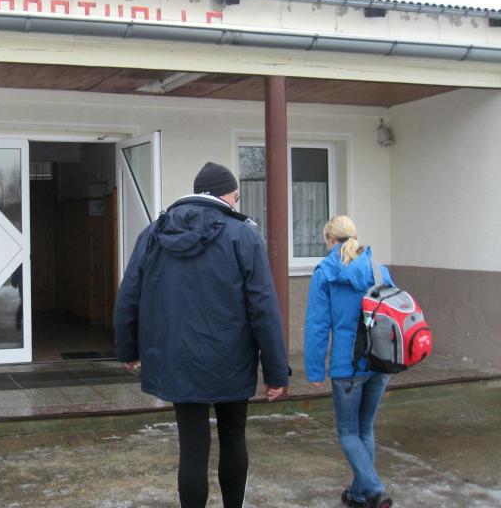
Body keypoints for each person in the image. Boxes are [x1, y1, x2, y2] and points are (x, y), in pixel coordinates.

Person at [114, 162, 290, 508]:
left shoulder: (153, 234)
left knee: (192, 446)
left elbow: (128, 296)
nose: (236, 203)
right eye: (236, 196)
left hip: (179, 360)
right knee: (233, 435)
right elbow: (264, 308)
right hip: (231, 360)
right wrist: (275, 371)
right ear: (224, 195)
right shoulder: (243, 235)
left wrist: (128, 348)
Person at [304, 215, 394, 508]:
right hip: (380, 363)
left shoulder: (326, 272)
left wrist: (315, 370)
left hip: (348, 367)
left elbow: (318, 325)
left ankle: (375, 490)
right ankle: (359, 494)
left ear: (330, 240)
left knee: (348, 433)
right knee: (364, 429)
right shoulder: (378, 270)